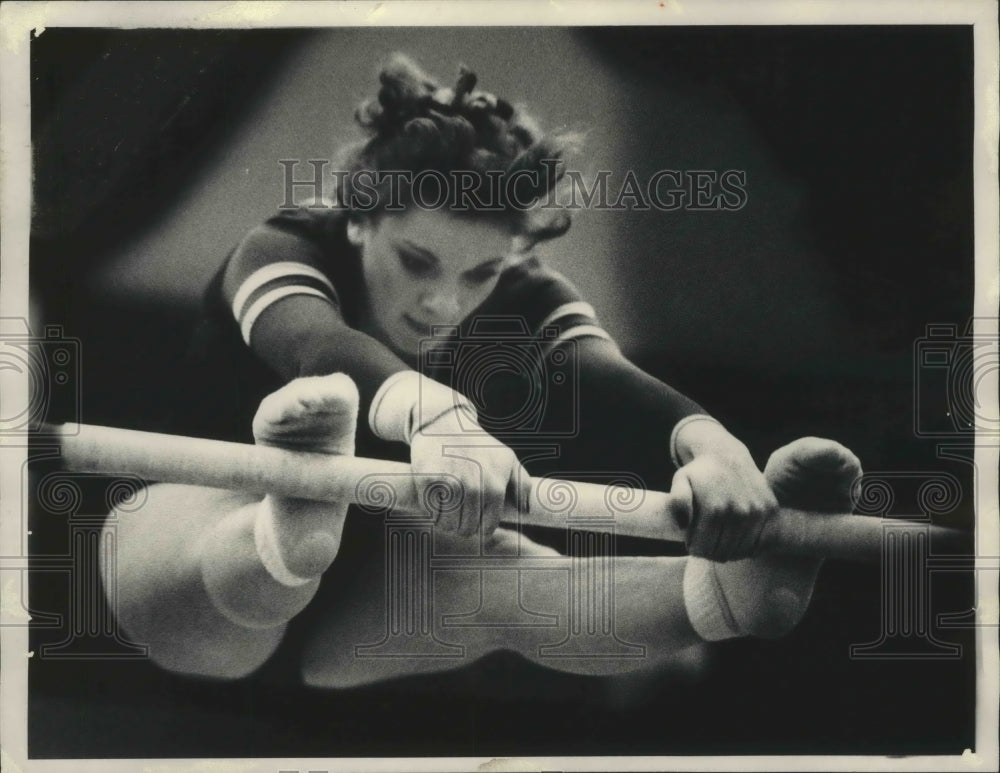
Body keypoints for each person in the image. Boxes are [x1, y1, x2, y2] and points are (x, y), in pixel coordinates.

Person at [107, 54, 863, 687]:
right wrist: (437, 416)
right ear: (361, 214)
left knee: (503, 577)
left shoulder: (524, 290)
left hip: (360, 609)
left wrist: (717, 448)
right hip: (185, 536)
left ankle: (730, 594)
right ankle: (282, 531)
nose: (444, 300)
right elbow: (314, 346)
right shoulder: (285, 248)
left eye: (481, 273)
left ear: (513, 256)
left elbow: (604, 377)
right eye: (417, 260)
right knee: (226, 535)